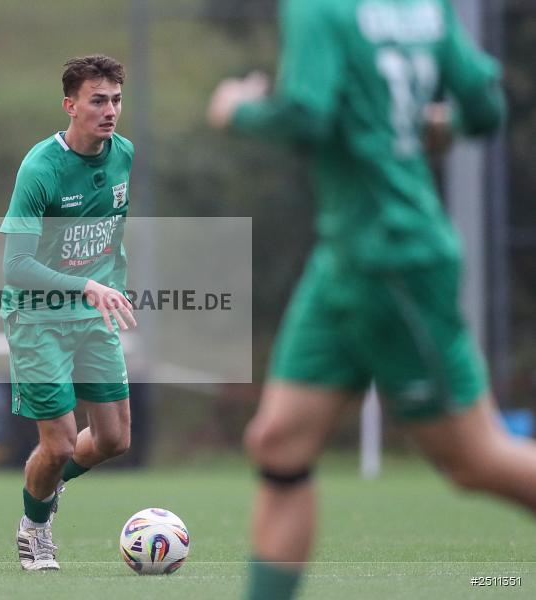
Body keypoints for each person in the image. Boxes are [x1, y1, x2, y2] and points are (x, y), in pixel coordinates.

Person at [207, 1, 535, 598]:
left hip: (394, 259)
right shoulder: (423, 6)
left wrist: (236, 110)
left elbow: (307, 116)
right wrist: (442, 126)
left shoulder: (319, 8)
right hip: (346, 256)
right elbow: (485, 105)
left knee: (477, 460)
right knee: (278, 441)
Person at [0, 54, 138, 571]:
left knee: (115, 440)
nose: (110, 111)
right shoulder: (41, 169)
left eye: (117, 100)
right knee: (56, 446)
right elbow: (16, 266)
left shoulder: (123, 154)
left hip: (92, 315)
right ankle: (34, 526)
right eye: (98, 100)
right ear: (70, 105)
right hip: (37, 319)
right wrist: (88, 286)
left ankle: (46, 487)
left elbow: (106, 236)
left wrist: (110, 289)